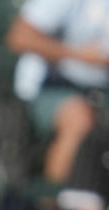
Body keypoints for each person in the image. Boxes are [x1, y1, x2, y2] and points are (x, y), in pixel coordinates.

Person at [7, 0, 109, 183]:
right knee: (79, 117)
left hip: (102, 91)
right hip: (51, 89)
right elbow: (18, 38)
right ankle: (53, 201)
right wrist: (80, 55)